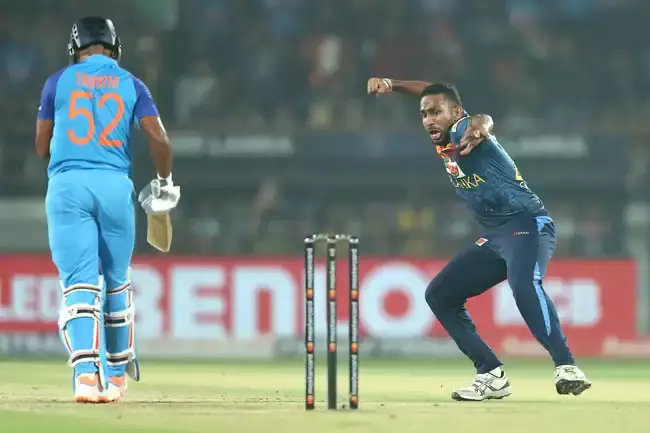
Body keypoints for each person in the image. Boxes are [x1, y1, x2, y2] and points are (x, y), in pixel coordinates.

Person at [367, 78, 591, 401]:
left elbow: (481, 120)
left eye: (435, 113)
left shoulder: (463, 130)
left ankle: (566, 366)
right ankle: (491, 374)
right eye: (424, 114)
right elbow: (433, 91)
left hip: (527, 224)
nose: (429, 120)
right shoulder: (444, 134)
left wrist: (481, 126)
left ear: (456, 112)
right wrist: (392, 85)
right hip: (497, 237)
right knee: (440, 295)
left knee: (524, 284)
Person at [35, 17, 179, 403]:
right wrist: (164, 182)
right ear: (114, 48)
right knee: (117, 281)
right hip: (115, 186)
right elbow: (159, 139)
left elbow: (41, 145)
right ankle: (116, 378)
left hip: (68, 186)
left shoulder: (57, 82)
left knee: (80, 283)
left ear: (75, 48)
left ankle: (86, 377)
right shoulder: (132, 83)